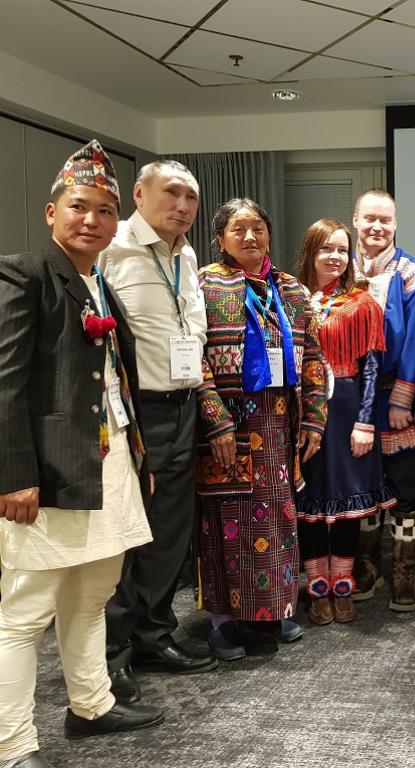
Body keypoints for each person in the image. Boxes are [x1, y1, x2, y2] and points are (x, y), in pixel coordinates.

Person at [0, 140, 164, 768]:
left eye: (102, 210)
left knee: (94, 592)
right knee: (25, 611)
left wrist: (136, 462)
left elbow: (115, 381)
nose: (90, 219)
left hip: (109, 464)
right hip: (46, 473)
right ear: (50, 212)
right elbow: (7, 384)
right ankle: (13, 746)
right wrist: (14, 474)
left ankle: (91, 705)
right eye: (78, 207)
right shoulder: (25, 273)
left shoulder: (100, 283)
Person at [99, 159, 216, 704]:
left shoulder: (187, 255)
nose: (183, 206)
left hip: (183, 404)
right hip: (133, 409)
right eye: (171, 193)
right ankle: (111, 655)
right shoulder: (112, 246)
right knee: (126, 532)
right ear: (139, 194)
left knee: (169, 529)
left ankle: (154, 635)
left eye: (191, 197)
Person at [195, 198, 327, 660]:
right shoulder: (205, 284)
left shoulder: (289, 289)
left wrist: (313, 417)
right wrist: (215, 421)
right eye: (238, 229)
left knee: (276, 520)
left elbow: (313, 357)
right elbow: (194, 359)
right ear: (221, 239)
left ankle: (272, 610)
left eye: (258, 228)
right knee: (226, 524)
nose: (250, 237)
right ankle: (225, 621)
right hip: (228, 427)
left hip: (277, 426)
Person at [295, 218, 392, 624]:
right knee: (311, 505)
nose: (334, 257)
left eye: (341, 249)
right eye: (325, 249)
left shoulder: (362, 302)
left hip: (350, 409)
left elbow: (372, 368)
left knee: (350, 506)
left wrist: (365, 422)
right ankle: (317, 589)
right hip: (304, 414)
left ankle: (343, 585)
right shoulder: (290, 299)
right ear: (310, 254)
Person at [350, 190, 415, 612]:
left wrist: (403, 398)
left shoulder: (410, 272)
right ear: (356, 221)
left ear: (395, 223)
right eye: (369, 219)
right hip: (350, 402)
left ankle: (406, 577)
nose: (377, 227)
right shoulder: (342, 268)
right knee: (362, 487)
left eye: (385, 219)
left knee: (405, 489)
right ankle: (365, 568)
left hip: (394, 398)